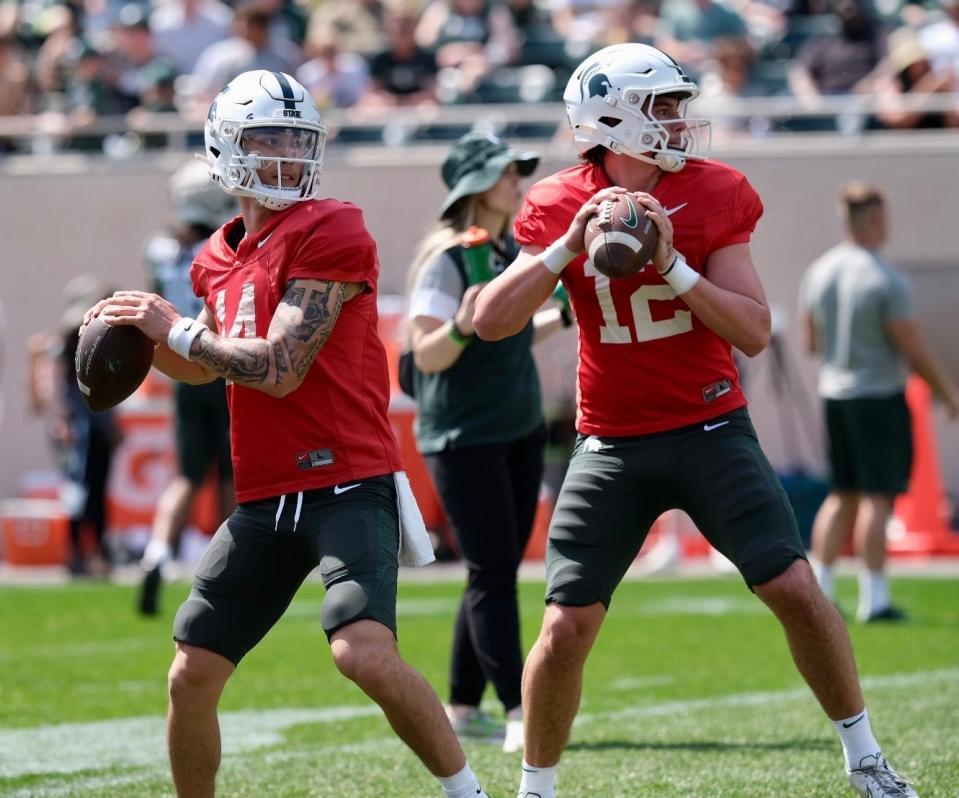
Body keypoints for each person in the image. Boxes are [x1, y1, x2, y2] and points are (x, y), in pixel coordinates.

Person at [472, 43, 920, 798]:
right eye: (665, 105)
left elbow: (752, 329)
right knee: (564, 626)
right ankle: (535, 789)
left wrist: (673, 264)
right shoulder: (556, 200)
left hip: (708, 427)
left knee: (794, 591)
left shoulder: (713, 192)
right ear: (610, 119)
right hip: (609, 440)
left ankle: (865, 758)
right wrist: (564, 246)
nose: (681, 120)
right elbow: (488, 322)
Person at [82, 70, 490, 798]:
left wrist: (173, 327)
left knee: (361, 652)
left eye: (296, 140)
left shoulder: (331, 226)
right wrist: (140, 339)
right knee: (191, 670)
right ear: (224, 148)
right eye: (265, 139)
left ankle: (469, 793)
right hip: (266, 493)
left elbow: (278, 367)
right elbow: (208, 369)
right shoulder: (215, 255)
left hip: (345, 481)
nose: (284, 156)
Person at [406, 131, 571, 754]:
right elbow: (428, 353)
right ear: (474, 185)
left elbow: (510, 335)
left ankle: (463, 706)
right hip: (464, 434)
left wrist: (562, 317)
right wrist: (462, 324)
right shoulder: (447, 257)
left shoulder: (507, 250)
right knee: (494, 574)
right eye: (507, 173)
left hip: (517, 426)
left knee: (491, 571)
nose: (518, 182)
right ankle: (518, 711)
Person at [800, 181, 959, 624]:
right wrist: (948, 393)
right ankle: (875, 597)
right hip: (878, 396)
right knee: (876, 498)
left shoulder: (820, 272)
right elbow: (912, 346)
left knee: (842, 494)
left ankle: (823, 589)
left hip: (834, 393)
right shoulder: (885, 277)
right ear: (874, 219)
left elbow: (811, 340)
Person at [137, 159, 237, 617]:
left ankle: (157, 552)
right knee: (233, 478)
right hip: (221, 362)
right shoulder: (225, 246)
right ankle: (228, 570)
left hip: (180, 370)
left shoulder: (160, 251)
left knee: (187, 476)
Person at [27, 274, 120, 576]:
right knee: (78, 491)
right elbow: (52, 384)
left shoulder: (98, 339)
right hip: (78, 427)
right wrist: (62, 419)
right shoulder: (64, 341)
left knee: (97, 490)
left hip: (98, 425)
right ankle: (77, 552)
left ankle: (97, 551)